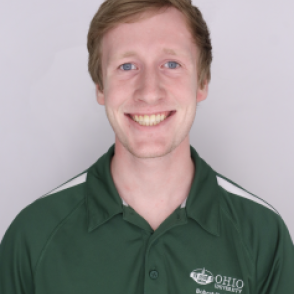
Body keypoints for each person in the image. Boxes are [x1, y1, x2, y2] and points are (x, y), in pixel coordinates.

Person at [0, 0, 293, 293]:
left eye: (171, 64)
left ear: (201, 82)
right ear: (101, 87)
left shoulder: (263, 235)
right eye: (127, 66)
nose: (149, 91)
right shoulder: (33, 235)